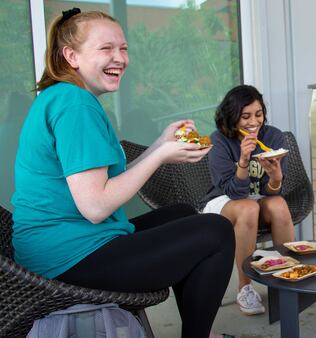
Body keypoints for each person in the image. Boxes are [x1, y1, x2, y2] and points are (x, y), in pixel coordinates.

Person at [10, 9, 235, 338]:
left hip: (59, 247)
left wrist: (158, 144)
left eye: (123, 48)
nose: (120, 58)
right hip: (68, 260)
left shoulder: (63, 97)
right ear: (71, 56)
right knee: (215, 232)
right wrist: (159, 155)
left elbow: (95, 185)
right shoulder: (76, 105)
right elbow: (96, 205)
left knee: (182, 214)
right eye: (106, 49)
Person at [200, 84, 295, 315]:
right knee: (248, 208)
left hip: (255, 198)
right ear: (232, 117)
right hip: (223, 202)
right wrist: (243, 160)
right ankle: (245, 288)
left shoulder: (272, 136)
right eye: (246, 116)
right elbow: (235, 192)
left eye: (258, 114)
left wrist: (275, 178)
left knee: (279, 205)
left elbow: (271, 192)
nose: (254, 121)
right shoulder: (220, 140)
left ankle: (287, 277)